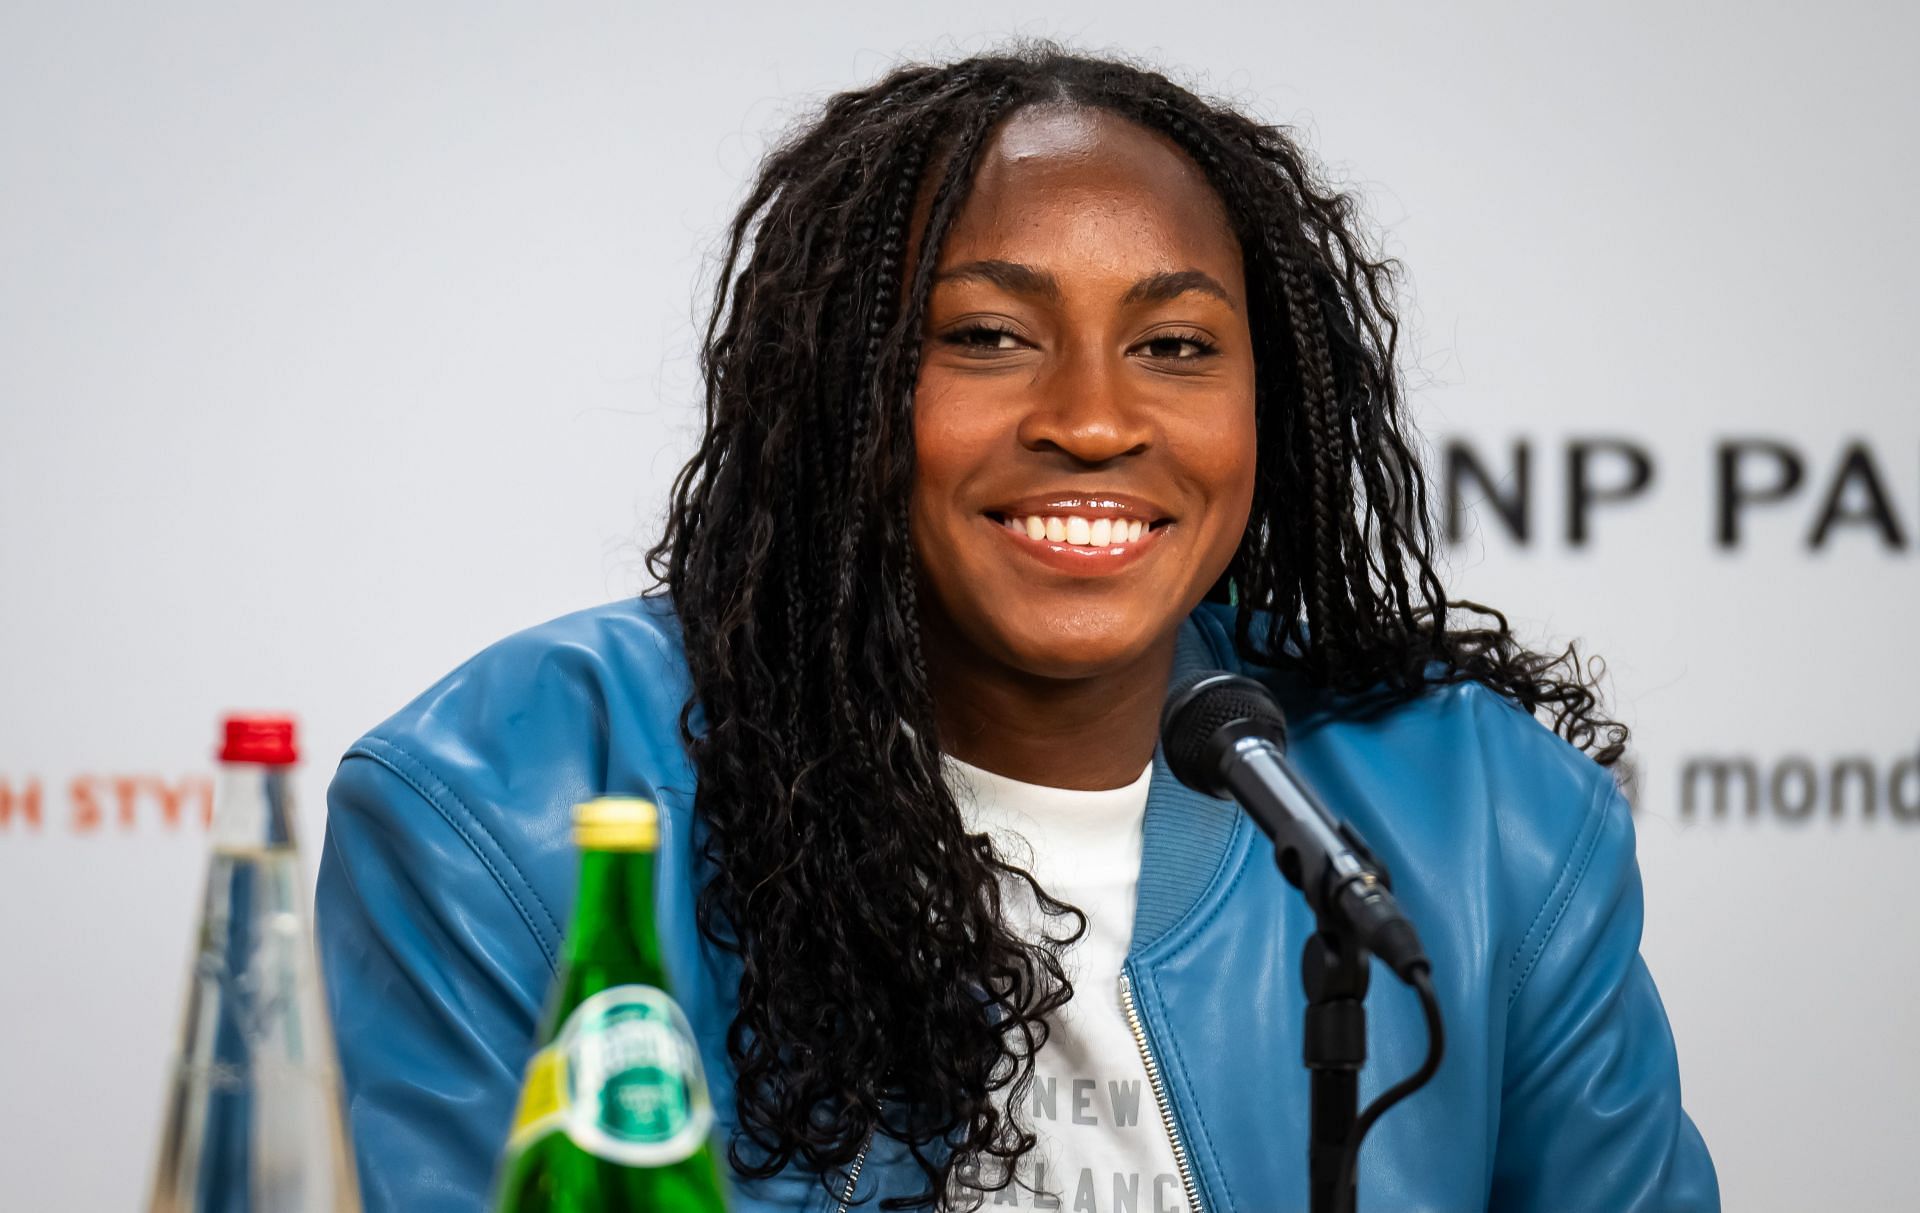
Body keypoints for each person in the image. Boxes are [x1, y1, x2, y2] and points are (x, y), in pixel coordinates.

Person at [315, 43, 1719, 1213]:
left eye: (1175, 347)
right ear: (843, 392)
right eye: (987, 336)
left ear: (1266, 411)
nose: (1096, 420)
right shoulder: (513, 807)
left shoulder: (1489, 825)